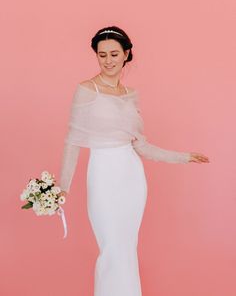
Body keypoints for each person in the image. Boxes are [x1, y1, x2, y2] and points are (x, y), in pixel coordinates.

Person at [58, 25, 210, 296]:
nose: (108, 61)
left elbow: (141, 146)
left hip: (131, 176)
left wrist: (183, 157)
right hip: (102, 173)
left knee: (127, 246)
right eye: (102, 55)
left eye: (114, 54)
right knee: (111, 246)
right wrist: (63, 186)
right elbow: (73, 141)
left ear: (126, 54)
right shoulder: (86, 90)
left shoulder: (131, 96)